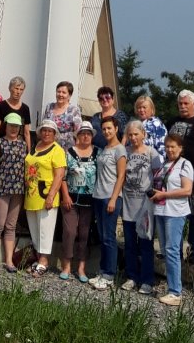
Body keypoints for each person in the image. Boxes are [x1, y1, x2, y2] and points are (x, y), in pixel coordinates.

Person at [165, 89, 194, 264]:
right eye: (180, 103)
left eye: (186, 103)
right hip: (172, 174)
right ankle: (172, 248)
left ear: (193, 104)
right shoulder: (171, 122)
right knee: (174, 213)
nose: (182, 106)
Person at [121, 119, 162, 295]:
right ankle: (132, 277)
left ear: (143, 134)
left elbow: (159, 178)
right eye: (130, 134)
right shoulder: (125, 152)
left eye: (136, 134)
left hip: (145, 207)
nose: (133, 137)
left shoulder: (152, 153)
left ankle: (147, 280)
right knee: (129, 243)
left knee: (146, 244)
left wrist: (155, 197)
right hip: (128, 204)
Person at [154, 133, 194, 307]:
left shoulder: (185, 165)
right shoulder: (164, 165)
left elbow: (187, 190)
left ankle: (175, 292)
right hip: (161, 210)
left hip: (175, 212)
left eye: (173, 147)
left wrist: (165, 194)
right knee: (165, 249)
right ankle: (172, 287)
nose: (170, 150)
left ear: (180, 148)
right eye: (167, 146)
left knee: (172, 250)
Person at [23, 118, 67, 276]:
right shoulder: (35, 146)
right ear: (40, 132)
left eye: (50, 131)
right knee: (35, 229)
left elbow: (59, 174)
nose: (47, 133)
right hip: (31, 195)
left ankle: (44, 261)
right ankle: (37, 258)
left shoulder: (57, 150)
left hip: (45, 195)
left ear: (55, 134)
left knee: (45, 229)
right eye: (44, 130)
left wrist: (51, 196)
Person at [0, 111, 28, 272]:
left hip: (17, 190)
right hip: (2, 189)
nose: (14, 129)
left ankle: (9, 260)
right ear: (6, 126)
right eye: (11, 125)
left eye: (16, 126)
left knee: (11, 226)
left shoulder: (23, 144)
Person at [89, 115, 126, 291]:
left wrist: (113, 198)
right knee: (102, 237)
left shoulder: (120, 150)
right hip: (98, 195)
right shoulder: (104, 148)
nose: (106, 131)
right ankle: (102, 271)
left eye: (109, 128)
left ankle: (109, 275)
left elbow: (121, 176)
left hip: (110, 198)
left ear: (116, 129)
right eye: (104, 129)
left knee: (109, 238)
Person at [59, 121, 98, 283]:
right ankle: (66, 265)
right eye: (82, 133)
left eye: (88, 133)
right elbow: (63, 176)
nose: (86, 136)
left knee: (84, 233)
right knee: (70, 232)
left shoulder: (98, 152)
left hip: (90, 201)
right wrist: (65, 196)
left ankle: (81, 267)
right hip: (71, 199)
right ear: (78, 135)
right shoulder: (69, 153)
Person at [0, 76, 31, 148]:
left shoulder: (25, 108)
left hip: (19, 147)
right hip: (2, 145)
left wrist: (29, 152)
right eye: (16, 88)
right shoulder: (1, 106)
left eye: (21, 89)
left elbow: (26, 133)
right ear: (10, 88)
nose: (18, 92)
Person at [43, 81, 82, 152]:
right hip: (48, 147)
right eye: (58, 91)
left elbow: (79, 133)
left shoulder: (74, 110)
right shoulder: (49, 107)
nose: (60, 94)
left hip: (67, 149)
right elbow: (43, 126)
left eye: (64, 92)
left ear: (69, 95)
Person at [134, 95, 168, 163]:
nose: (141, 110)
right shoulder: (135, 124)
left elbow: (162, 150)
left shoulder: (156, 124)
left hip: (152, 166)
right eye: (139, 107)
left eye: (144, 107)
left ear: (151, 109)